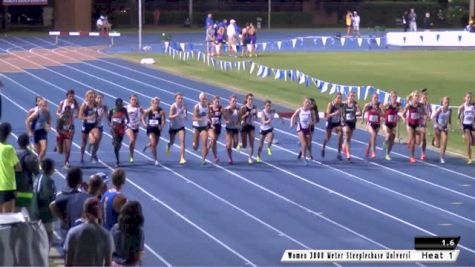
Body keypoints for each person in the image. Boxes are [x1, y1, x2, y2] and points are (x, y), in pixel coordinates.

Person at [63, 197, 114, 267]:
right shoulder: (106, 235)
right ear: (100, 213)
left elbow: (68, 262)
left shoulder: (72, 232)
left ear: (85, 213)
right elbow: (108, 263)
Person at [49, 167, 89, 236]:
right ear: (80, 180)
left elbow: (52, 205)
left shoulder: (60, 195)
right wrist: (88, 190)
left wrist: (62, 217)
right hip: (79, 229)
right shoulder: (83, 197)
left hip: (65, 229)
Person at [31, 158, 56, 247]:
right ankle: (44, 256)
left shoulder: (38, 177)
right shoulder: (48, 181)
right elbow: (46, 198)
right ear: (50, 169)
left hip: (34, 211)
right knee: (49, 236)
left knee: (38, 236)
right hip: (44, 214)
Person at [111, 201, 144, 266]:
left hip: (115, 263)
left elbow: (110, 248)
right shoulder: (139, 232)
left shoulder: (116, 228)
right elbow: (139, 253)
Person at [0, 122, 21, 213]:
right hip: (7, 186)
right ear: (9, 133)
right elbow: (18, 167)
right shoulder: (8, 148)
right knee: (7, 218)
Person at [15, 133, 39, 210]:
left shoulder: (11, 154)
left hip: (12, 187)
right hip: (26, 188)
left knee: (14, 211)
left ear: (18, 142)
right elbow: (37, 174)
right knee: (29, 211)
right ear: (28, 143)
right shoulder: (31, 157)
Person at [402, 90, 426, 163]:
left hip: (417, 124)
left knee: (417, 142)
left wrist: (426, 116)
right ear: (412, 97)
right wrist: (404, 117)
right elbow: (403, 114)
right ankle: (412, 157)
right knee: (413, 140)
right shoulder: (409, 105)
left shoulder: (420, 105)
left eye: (418, 96)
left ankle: (410, 142)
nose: (417, 97)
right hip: (410, 124)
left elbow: (423, 112)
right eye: (415, 96)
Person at [290, 98, 316, 165]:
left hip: (307, 129)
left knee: (307, 144)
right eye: (306, 102)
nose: (308, 104)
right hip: (300, 128)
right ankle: (303, 158)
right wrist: (292, 124)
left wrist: (311, 123)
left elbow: (313, 121)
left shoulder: (310, 112)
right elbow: (293, 117)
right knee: (304, 144)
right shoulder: (299, 110)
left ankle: (303, 154)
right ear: (303, 103)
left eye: (309, 103)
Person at [142, 97, 165, 165]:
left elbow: (163, 120)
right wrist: (144, 124)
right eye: (155, 103)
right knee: (154, 144)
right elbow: (143, 118)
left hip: (157, 129)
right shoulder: (149, 110)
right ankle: (156, 159)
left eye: (158, 103)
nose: (156, 105)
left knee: (154, 144)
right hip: (150, 129)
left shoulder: (161, 111)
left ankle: (148, 145)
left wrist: (162, 126)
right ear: (152, 103)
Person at [25, 99, 50, 163]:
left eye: (46, 105)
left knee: (44, 149)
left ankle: (38, 162)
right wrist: (29, 131)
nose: (45, 107)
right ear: (40, 106)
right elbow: (27, 121)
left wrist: (48, 126)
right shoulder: (37, 113)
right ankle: (38, 162)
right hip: (36, 132)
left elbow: (48, 120)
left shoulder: (47, 112)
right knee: (38, 151)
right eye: (44, 106)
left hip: (43, 132)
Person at [78, 90, 99, 164]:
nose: (92, 98)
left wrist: (96, 116)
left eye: (93, 97)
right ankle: (82, 156)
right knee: (83, 142)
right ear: (86, 97)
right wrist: (88, 118)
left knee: (96, 138)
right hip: (86, 125)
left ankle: (93, 154)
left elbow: (97, 112)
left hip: (93, 125)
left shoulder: (95, 104)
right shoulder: (84, 105)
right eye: (90, 97)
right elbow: (80, 116)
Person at [321, 93, 343, 160]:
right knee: (327, 137)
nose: (339, 99)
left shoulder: (341, 105)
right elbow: (328, 115)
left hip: (337, 123)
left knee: (340, 134)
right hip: (330, 121)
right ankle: (323, 147)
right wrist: (335, 113)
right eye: (338, 98)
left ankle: (339, 153)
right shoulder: (330, 104)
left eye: (340, 98)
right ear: (335, 98)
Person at [167, 93, 187, 164]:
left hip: (181, 127)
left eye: (181, 98)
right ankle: (168, 146)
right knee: (172, 142)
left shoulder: (184, 106)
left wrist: (185, 116)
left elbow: (185, 115)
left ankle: (182, 158)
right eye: (179, 98)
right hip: (173, 127)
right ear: (175, 99)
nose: (180, 100)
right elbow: (169, 117)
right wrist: (177, 115)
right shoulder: (173, 106)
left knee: (182, 141)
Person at [108, 98, 129, 167]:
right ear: (116, 105)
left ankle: (117, 143)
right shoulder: (112, 110)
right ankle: (117, 161)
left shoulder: (124, 110)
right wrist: (111, 125)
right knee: (116, 146)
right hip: (114, 130)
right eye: (119, 105)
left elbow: (128, 119)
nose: (120, 106)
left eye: (121, 105)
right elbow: (108, 120)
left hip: (121, 130)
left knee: (118, 144)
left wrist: (126, 124)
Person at [382, 91, 402, 160]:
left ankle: (387, 154)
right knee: (388, 136)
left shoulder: (398, 104)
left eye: (395, 97)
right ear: (390, 97)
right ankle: (385, 142)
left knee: (392, 139)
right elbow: (382, 109)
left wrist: (399, 116)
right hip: (386, 124)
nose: (394, 98)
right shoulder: (388, 104)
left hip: (393, 124)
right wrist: (384, 112)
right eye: (393, 97)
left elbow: (402, 112)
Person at [341, 91, 361, 160]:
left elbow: (360, 113)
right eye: (351, 96)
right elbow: (337, 106)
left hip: (352, 122)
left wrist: (355, 114)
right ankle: (348, 154)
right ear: (348, 96)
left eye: (353, 96)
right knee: (346, 133)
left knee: (348, 138)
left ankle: (344, 145)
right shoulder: (343, 103)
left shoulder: (355, 104)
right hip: (345, 122)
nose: (352, 97)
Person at [362, 94, 383, 159]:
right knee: (373, 134)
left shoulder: (380, 105)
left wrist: (381, 109)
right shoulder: (369, 105)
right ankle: (373, 152)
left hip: (377, 123)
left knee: (373, 137)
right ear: (372, 98)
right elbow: (363, 111)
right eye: (374, 98)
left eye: (377, 98)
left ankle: (368, 147)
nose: (376, 99)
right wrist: (363, 120)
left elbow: (384, 114)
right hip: (369, 123)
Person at [432, 97, 451, 163]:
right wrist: (437, 125)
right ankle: (434, 140)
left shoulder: (449, 110)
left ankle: (442, 158)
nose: (447, 104)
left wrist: (449, 125)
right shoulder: (439, 109)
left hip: (444, 128)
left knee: (444, 142)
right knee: (438, 145)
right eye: (445, 102)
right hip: (437, 128)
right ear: (442, 103)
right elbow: (432, 117)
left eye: (448, 102)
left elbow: (449, 120)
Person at [240, 93, 258, 164]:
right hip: (244, 126)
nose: (251, 100)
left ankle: (250, 158)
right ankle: (241, 144)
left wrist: (255, 115)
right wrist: (245, 115)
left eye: (252, 99)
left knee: (251, 142)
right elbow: (240, 118)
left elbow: (256, 117)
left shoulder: (254, 107)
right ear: (246, 99)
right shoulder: (243, 108)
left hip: (251, 126)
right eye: (249, 99)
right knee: (244, 145)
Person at [192, 92, 210, 164]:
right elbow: (194, 118)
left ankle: (203, 159)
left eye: (205, 99)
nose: (204, 100)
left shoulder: (207, 106)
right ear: (200, 99)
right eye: (203, 99)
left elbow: (208, 115)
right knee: (196, 147)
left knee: (204, 142)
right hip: (196, 126)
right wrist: (202, 119)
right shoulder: (197, 107)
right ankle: (194, 143)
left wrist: (208, 119)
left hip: (204, 127)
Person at [457, 92, 475, 164]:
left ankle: (465, 137)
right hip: (466, 125)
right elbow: (459, 116)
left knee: (473, 142)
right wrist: (460, 124)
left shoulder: (473, 105)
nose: (469, 99)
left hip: (472, 125)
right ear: (464, 98)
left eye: (470, 97)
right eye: (467, 97)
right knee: (469, 142)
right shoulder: (463, 106)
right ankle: (470, 158)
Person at [125, 94, 143, 164]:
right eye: (132, 99)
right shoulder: (126, 107)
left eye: (135, 100)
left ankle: (131, 155)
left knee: (133, 143)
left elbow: (142, 116)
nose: (134, 101)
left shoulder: (138, 108)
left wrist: (143, 123)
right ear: (130, 100)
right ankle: (130, 151)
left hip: (136, 127)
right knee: (132, 139)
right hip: (128, 126)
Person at [223, 95, 240, 164]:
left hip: (235, 128)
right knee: (229, 145)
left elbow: (240, 118)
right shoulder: (226, 109)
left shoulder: (238, 110)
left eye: (235, 101)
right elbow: (224, 118)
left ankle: (230, 145)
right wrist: (227, 121)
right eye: (233, 101)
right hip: (229, 128)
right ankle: (230, 158)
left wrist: (239, 123)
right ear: (230, 102)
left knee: (235, 144)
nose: (234, 102)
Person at [92, 93, 107, 163]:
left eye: (101, 98)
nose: (100, 99)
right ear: (95, 99)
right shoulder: (92, 106)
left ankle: (94, 154)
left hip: (100, 126)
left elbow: (107, 116)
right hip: (92, 126)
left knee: (97, 143)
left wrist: (110, 123)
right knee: (94, 140)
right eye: (98, 98)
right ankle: (93, 154)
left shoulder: (104, 107)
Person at [208, 96, 223, 163]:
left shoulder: (220, 108)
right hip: (211, 127)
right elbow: (206, 117)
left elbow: (225, 114)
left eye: (218, 102)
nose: (217, 103)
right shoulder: (209, 108)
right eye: (216, 101)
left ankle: (215, 156)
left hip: (218, 127)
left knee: (214, 142)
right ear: (213, 101)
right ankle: (205, 155)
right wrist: (211, 124)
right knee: (212, 140)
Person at [418, 90, 432, 161]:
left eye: (426, 98)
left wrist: (428, 117)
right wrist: (422, 116)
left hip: (423, 124)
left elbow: (429, 115)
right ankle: (412, 141)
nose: (425, 99)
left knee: (423, 138)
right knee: (418, 142)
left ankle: (423, 153)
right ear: (421, 98)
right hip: (417, 124)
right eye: (424, 98)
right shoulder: (418, 104)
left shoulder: (428, 105)